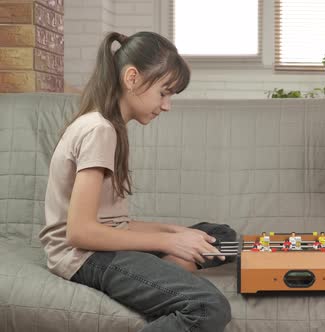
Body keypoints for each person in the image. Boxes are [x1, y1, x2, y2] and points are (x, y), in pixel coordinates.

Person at [38, 31, 234, 331]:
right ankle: (156, 278)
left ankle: (156, 275)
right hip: (84, 257)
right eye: (164, 93)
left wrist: (175, 231)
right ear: (132, 78)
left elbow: (114, 223)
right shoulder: (99, 130)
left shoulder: (110, 127)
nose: (167, 105)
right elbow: (79, 233)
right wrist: (169, 240)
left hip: (105, 243)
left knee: (222, 236)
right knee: (209, 307)